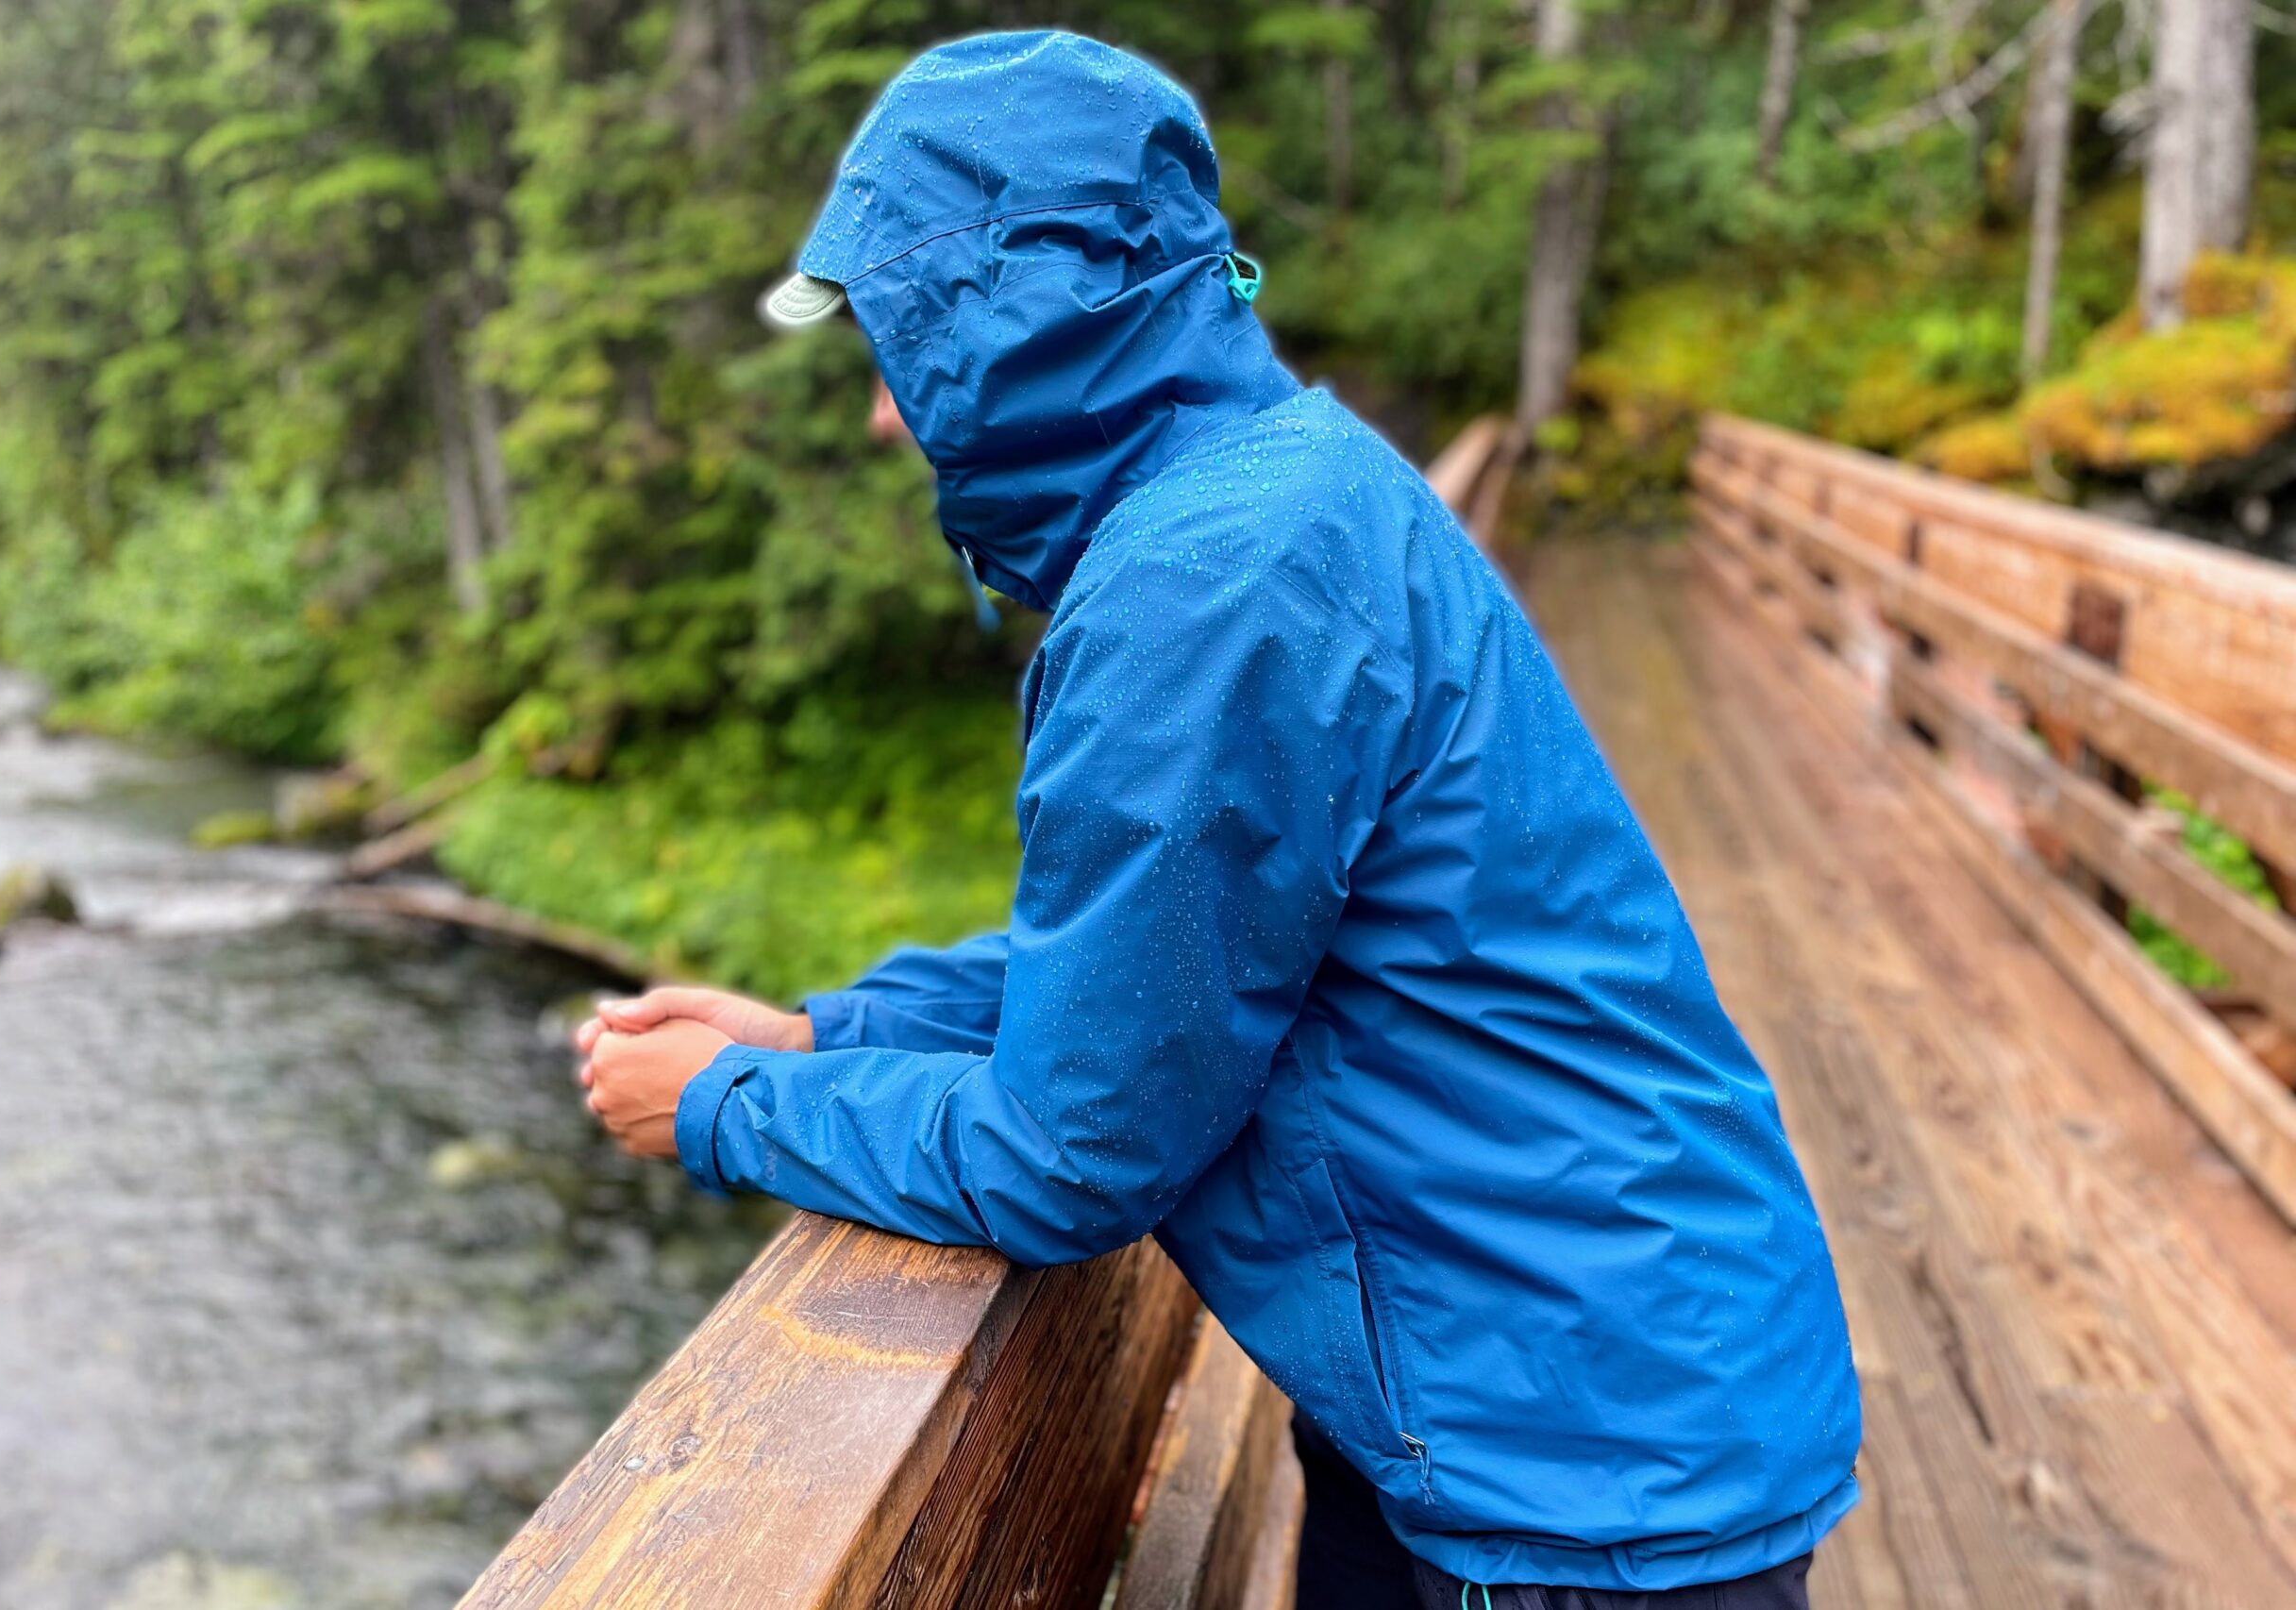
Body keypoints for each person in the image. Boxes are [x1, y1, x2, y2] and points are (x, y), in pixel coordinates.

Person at [575, 30, 1861, 1609]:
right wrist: (826, 1032)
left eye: (896, 351)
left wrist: (722, 1107)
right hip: (1544, 1379)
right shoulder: (1273, 493)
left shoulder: (1207, 587)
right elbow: (1173, 951)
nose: (882, 423)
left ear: (1000, 320)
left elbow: (1069, 1150)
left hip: (1570, 1460)